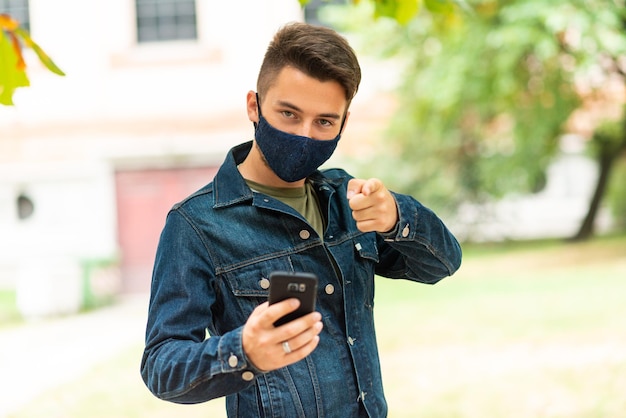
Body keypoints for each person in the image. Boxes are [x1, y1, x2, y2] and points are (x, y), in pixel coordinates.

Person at [141, 21, 462, 418]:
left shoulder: (349, 200)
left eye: (324, 121)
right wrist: (243, 352)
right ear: (254, 106)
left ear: (343, 123)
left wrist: (397, 216)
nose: (305, 135)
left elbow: (442, 264)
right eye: (289, 114)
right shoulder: (195, 225)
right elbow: (161, 367)